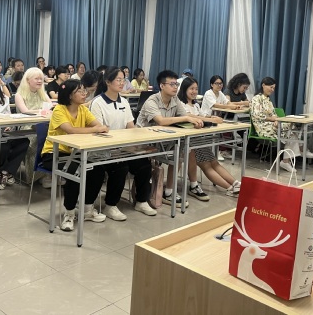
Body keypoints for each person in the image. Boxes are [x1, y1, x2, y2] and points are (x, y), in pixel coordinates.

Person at [40, 79, 109, 232]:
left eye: (84, 90)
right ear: (70, 95)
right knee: (75, 171)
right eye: (80, 91)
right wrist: (95, 129)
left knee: (97, 169)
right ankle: (69, 213)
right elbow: (70, 130)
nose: (84, 94)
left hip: (75, 152)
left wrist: (97, 128)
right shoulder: (59, 110)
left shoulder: (83, 109)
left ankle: (87, 209)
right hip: (54, 154)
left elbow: (99, 126)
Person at [90, 67, 158, 219]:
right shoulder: (98, 103)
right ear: (108, 82)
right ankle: (111, 205)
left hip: (123, 148)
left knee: (144, 164)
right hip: (104, 149)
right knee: (120, 167)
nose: (122, 83)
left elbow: (130, 127)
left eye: (123, 80)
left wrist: (137, 144)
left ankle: (141, 201)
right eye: (118, 80)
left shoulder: (124, 102)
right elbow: (99, 131)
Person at [136, 70, 207, 206]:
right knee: (179, 151)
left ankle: (171, 191)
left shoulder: (175, 100)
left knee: (184, 149)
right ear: (162, 86)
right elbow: (161, 121)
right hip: (144, 142)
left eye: (176, 84)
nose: (175, 87)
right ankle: (166, 192)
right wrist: (186, 118)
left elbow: (185, 116)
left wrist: (203, 120)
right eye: (172, 84)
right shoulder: (152, 100)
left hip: (162, 139)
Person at [178, 77, 242, 196]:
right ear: (184, 89)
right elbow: (190, 116)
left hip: (200, 140)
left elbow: (203, 115)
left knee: (214, 162)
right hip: (190, 142)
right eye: (191, 89)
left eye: (196, 89)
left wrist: (212, 118)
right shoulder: (181, 104)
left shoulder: (196, 105)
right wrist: (210, 119)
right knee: (207, 166)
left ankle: (236, 184)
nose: (194, 91)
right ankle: (229, 188)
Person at [249, 77, 313, 172]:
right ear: (263, 85)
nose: (272, 90)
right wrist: (273, 119)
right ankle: (299, 151)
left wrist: (276, 120)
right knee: (290, 130)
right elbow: (257, 115)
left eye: (273, 88)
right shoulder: (256, 98)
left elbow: (273, 114)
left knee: (291, 130)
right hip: (263, 127)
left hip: (271, 125)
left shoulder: (268, 100)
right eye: (271, 87)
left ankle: (288, 160)